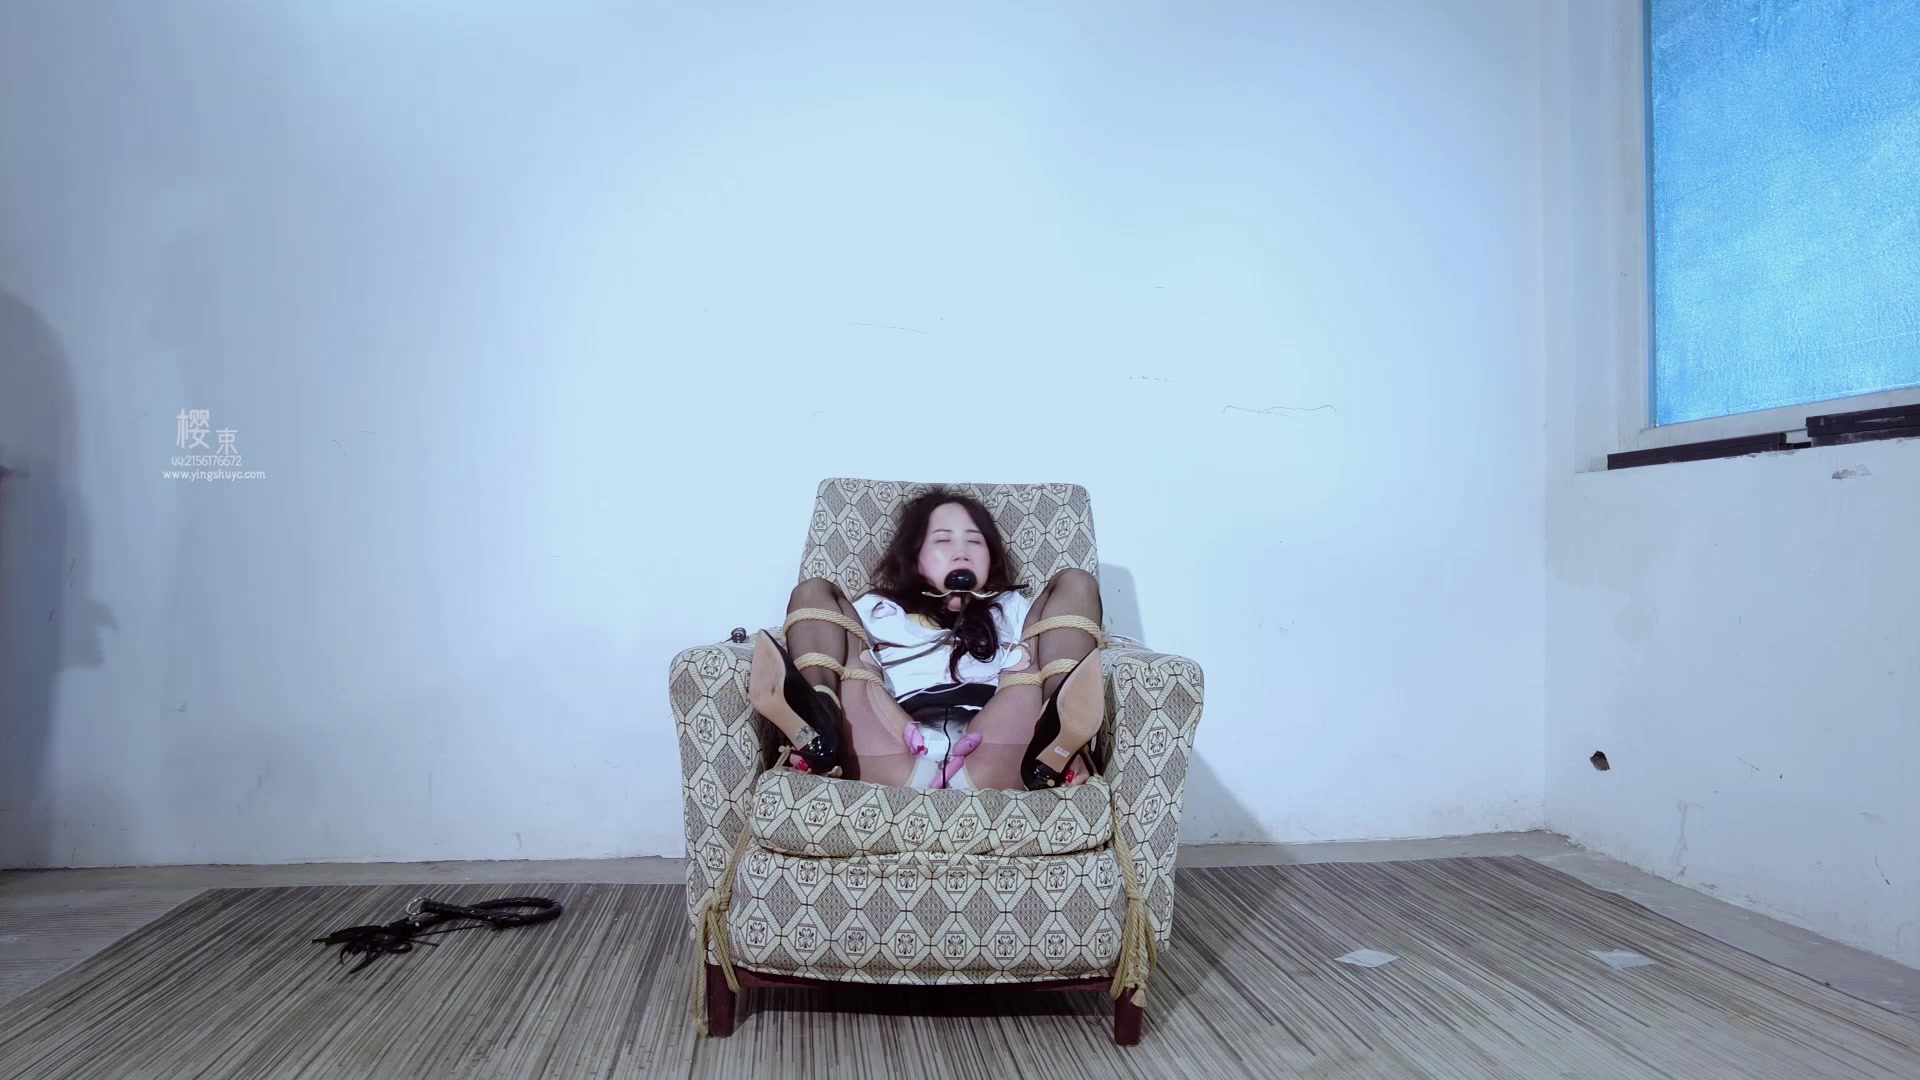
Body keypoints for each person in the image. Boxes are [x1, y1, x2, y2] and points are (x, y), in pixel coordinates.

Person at [746, 489, 1104, 789]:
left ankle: (1056, 727)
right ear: (915, 557)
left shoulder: (1012, 608)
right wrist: (901, 724)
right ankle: (819, 719)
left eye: (974, 541)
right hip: (892, 748)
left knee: (1074, 585)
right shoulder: (877, 611)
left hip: (999, 752)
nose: (961, 551)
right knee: (818, 596)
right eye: (943, 540)